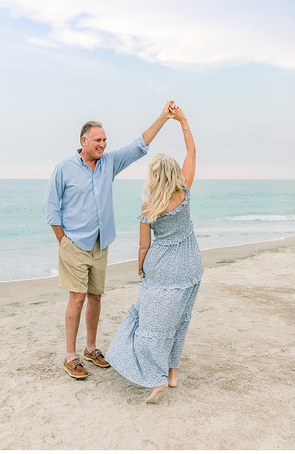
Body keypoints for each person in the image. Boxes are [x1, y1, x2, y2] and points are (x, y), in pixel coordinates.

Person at [43, 101, 176, 380]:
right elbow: (51, 209)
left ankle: (91, 348)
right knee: (77, 298)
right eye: (98, 140)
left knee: (95, 297)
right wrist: (63, 241)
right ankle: (70, 356)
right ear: (84, 141)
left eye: (105, 139)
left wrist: (163, 116)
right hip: (74, 244)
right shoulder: (64, 168)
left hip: (101, 244)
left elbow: (139, 145)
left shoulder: (109, 163)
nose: (103, 144)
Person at [106, 103, 203, 404]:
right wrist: (183, 121)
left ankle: (156, 376)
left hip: (160, 268)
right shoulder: (184, 193)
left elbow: (143, 247)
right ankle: (171, 373)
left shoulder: (148, 208)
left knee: (150, 323)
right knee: (179, 319)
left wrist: (140, 269)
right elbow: (192, 154)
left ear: (153, 178)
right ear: (173, 174)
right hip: (188, 267)